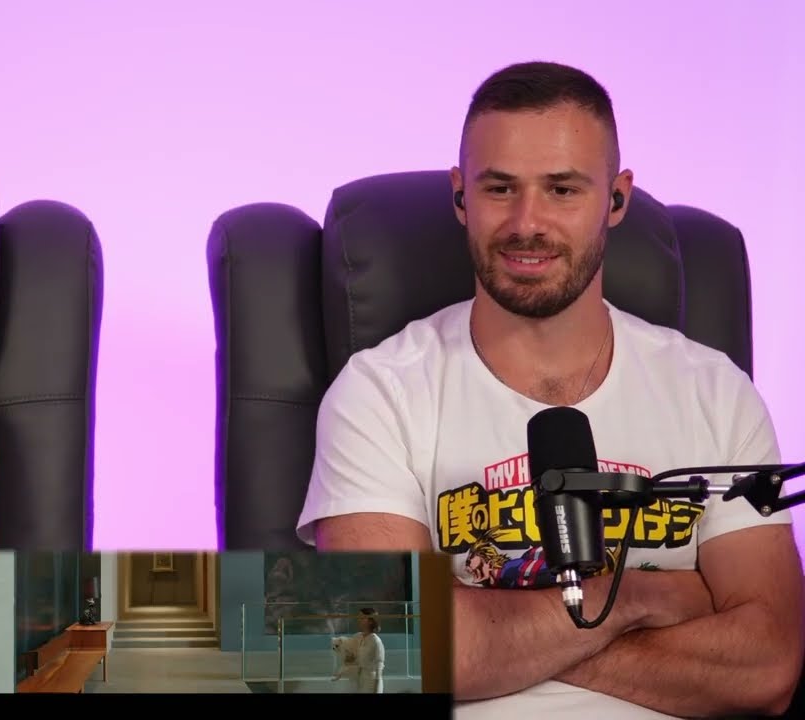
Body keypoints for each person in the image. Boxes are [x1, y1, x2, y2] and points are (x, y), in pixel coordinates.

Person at [296, 61, 803, 718]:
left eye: (563, 189)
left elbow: (767, 667)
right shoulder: (379, 393)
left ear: (616, 199)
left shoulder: (716, 393)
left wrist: (491, 632)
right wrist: (635, 599)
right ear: (461, 196)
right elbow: (392, 651)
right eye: (500, 188)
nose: (527, 223)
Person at [355, 611, 384, 694]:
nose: (359, 620)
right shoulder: (357, 637)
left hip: (371, 681)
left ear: (370, 621)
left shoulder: (376, 640)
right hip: (360, 680)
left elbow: (379, 664)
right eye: (359, 617)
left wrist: (376, 689)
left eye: (362, 618)